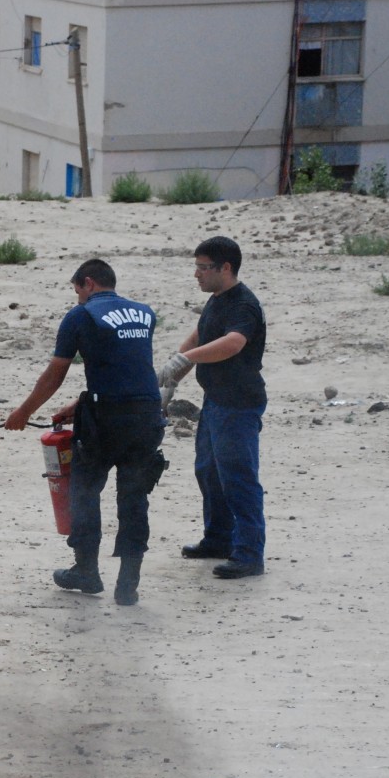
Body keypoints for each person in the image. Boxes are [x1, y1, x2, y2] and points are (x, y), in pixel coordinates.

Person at [6, 258, 166, 605]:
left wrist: (23, 412)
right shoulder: (144, 313)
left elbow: (55, 373)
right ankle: (128, 584)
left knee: (85, 490)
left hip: (106, 420)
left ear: (88, 283)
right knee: (134, 497)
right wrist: (79, 406)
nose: (77, 296)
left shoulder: (81, 315)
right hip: (147, 415)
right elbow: (128, 370)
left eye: (77, 289)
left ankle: (86, 571)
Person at [156, 235, 267, 579]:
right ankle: (218, 538)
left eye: (203, 268)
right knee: (209, 473)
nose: (196, 274)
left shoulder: (244, 305)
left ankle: (249, 554)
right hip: (215, 401)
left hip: (239, 405)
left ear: (226, 268)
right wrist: (173, 374)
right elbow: (201, 335)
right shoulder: (218, 300)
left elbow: (233, 343)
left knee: (238, 478)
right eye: (197, 266)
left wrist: (185, 358)